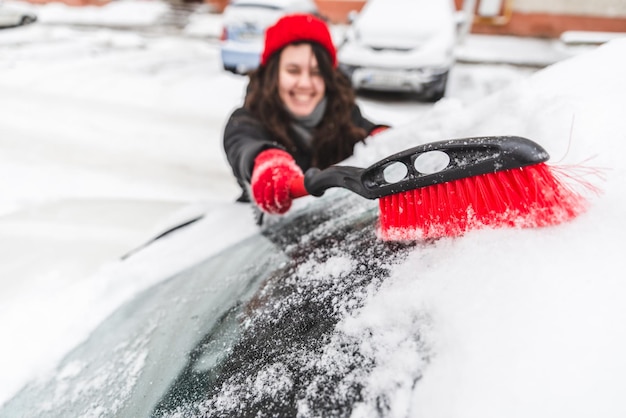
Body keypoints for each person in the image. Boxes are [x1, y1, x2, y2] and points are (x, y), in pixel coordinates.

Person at [223, 13, 388, 217]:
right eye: (293, 71)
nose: (305, 83)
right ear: (273, 74)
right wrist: (265, 161)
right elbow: (244, 146)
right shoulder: (246, 121)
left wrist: (387, 138)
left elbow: (366, 131)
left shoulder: (342, 113)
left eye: (316, 72)